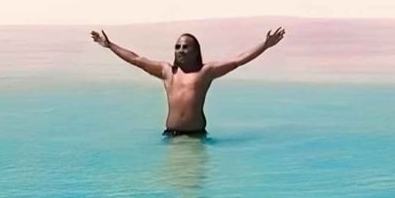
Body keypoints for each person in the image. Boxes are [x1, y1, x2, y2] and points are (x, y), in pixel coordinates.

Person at [90, 28, 286, 137]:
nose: (181, 50)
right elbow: (136, 59)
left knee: (192, 188)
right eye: (177, 47)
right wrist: (109, 45)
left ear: (195, 50)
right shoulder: (167, 71)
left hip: (196, 138)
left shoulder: (205, 72)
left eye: (186, 47)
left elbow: (238, 60)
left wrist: (265, 45)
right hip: (170, 136)